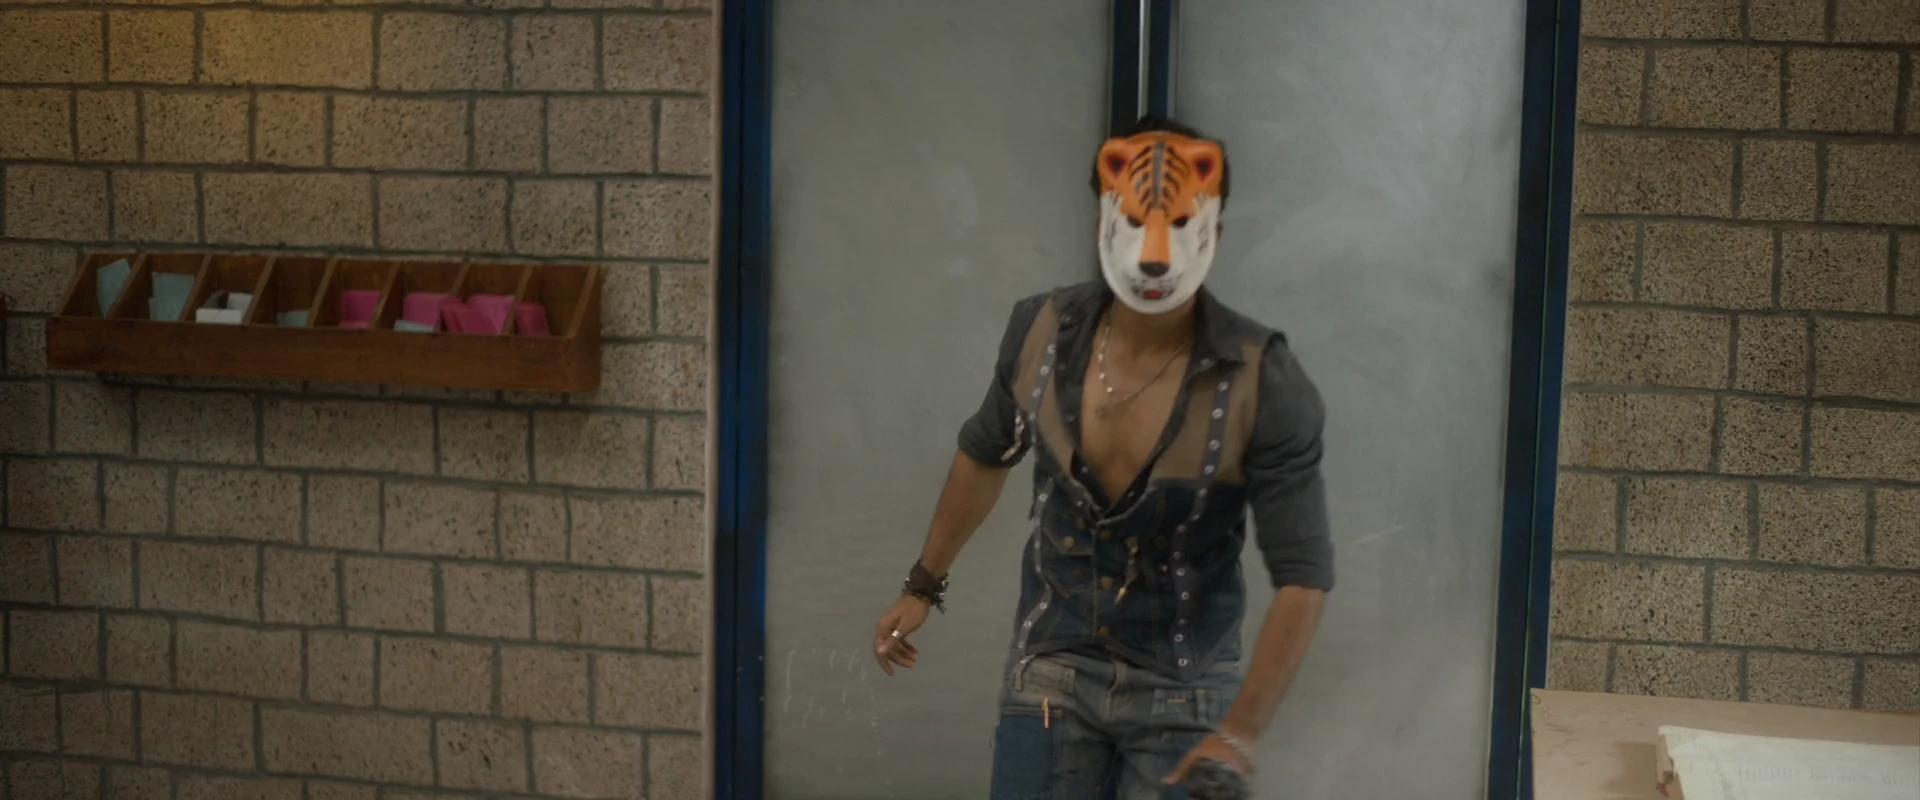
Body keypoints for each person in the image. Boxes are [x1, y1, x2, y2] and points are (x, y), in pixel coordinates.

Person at [870, 113, 1335, 798]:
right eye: (1136, 221)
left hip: (1184, 681)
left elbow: (1303, 574)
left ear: (1213, 234)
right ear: (1103, 224)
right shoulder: (1042, 333)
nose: (1155, 253)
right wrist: (921, 585)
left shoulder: (1260, 378)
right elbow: (987, 452)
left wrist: (1240, 731)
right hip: (1054, 662)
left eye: (1181, 223)